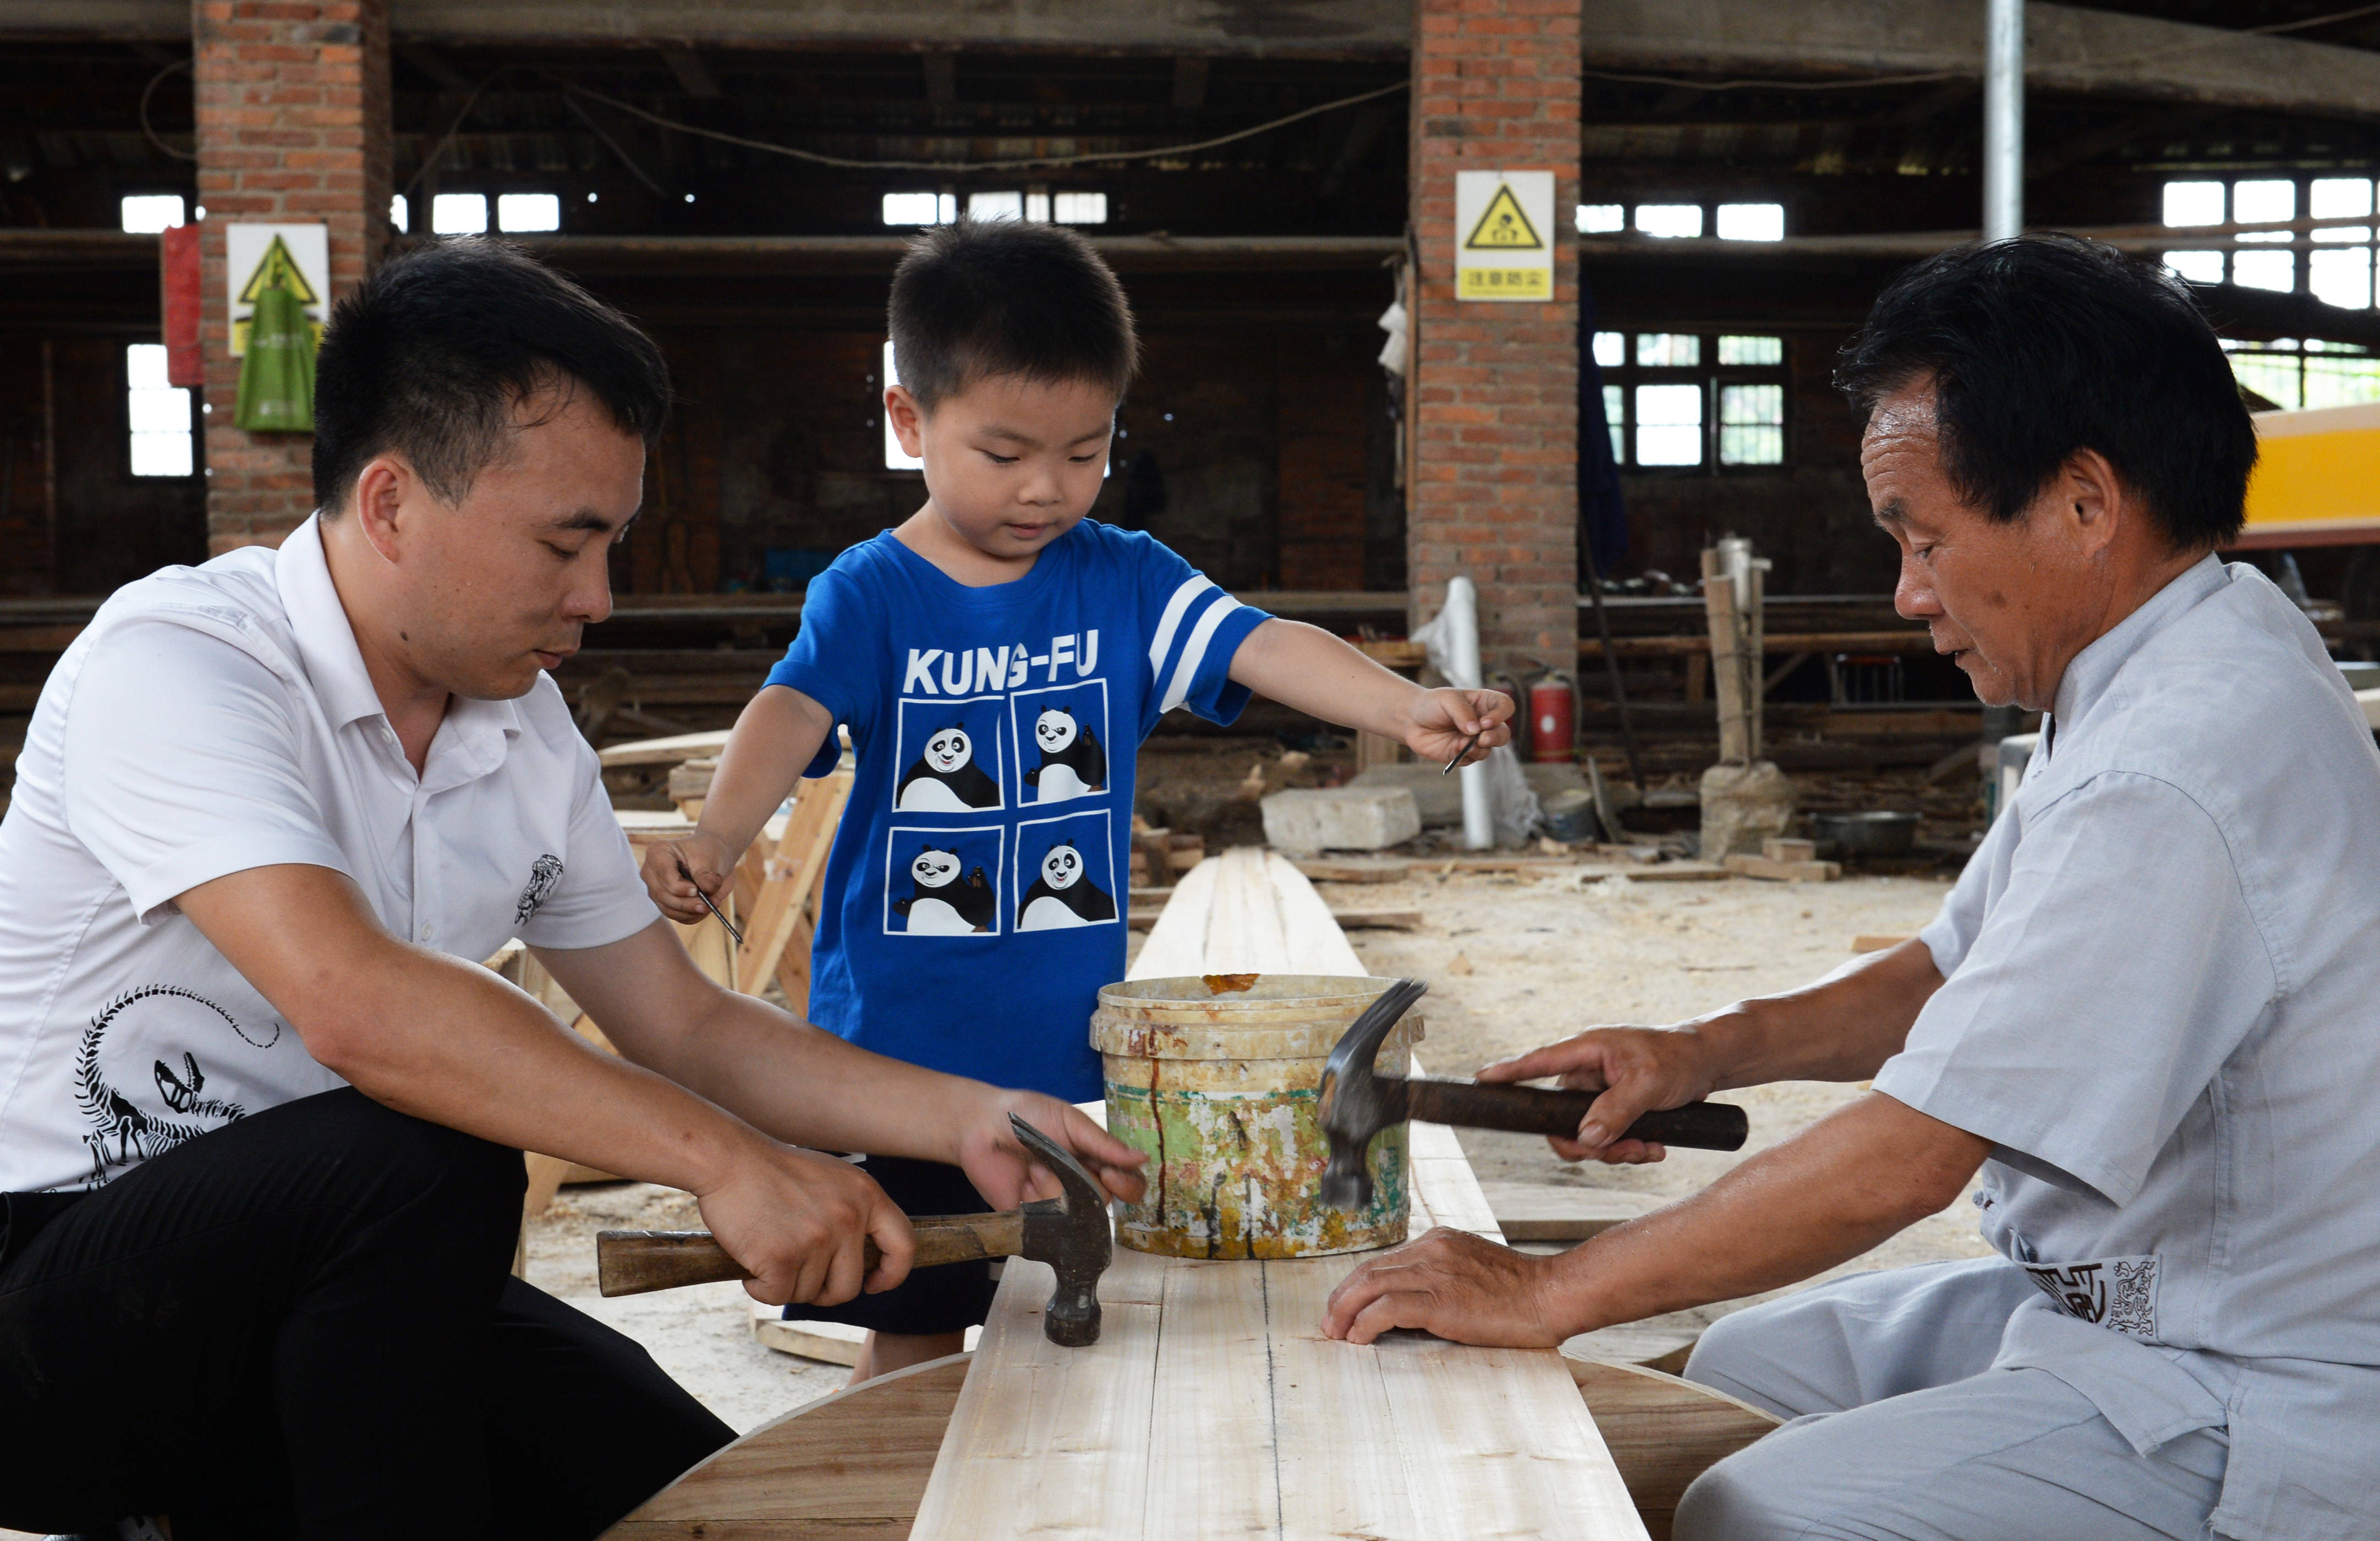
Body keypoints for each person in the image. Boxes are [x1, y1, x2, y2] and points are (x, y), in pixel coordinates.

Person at [0, 237, 1145, 1541]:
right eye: (563, 544)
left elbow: (692, 1025)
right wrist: (730, 1165)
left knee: (702, 1498)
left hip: (335, 1290)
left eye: (613, 545)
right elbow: (356, 1010)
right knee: (425, 1156)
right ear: (390, 505)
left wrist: (975, 1118)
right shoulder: (183, 664)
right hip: (52, 1310)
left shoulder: (519, 729)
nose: (597, 597)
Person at [1319, 236, 2380, 1540]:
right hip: (2119, 1306)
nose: (1909, 594)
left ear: (2086, 503)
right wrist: (1701, 1054)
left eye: (1926, 540)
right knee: (1738, 1373)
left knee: (1762, 1511)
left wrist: (1553, 1290)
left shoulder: (2175, 762)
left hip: (2263, 1378)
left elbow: (1909, 1161)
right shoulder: (2170, 653)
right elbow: (1948, 972)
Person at [642, 219, 1513, 1381]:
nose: (1046, 489)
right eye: (1004, 454)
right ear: (910, 423)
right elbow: (790, 713)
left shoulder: (1125, 578)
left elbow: (1257, 643)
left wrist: (1401, 706)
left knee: (1068, 1313)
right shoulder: (872, 592)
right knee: (919, 1320)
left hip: (1071, 1043)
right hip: (907, 1061)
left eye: (1083, 450)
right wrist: (714, 834)